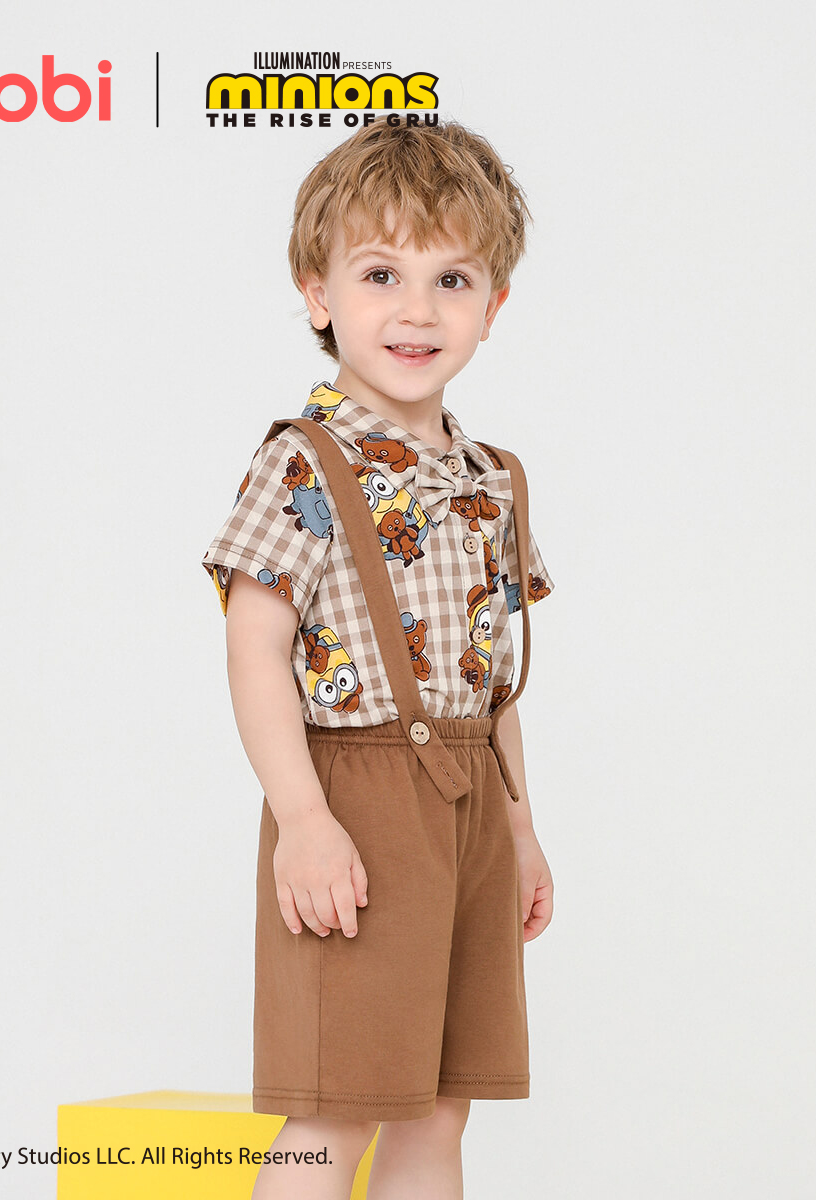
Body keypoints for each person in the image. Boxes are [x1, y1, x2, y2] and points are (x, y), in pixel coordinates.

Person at [202, 117, 557, 1200]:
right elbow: (255, 652)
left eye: (452, 279)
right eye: (380, 274)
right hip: (354, 799)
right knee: (337, 1108)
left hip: (470, 799)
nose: (417, 310)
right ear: (318, 294)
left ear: (493, 305)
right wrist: (304, 819)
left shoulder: (493, 478)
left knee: (441, 1108)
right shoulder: (303, 463)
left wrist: (519, 830)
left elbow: (493, 678)